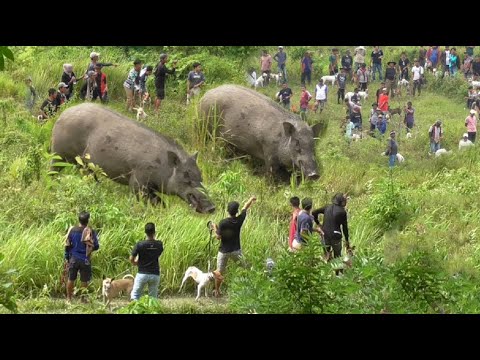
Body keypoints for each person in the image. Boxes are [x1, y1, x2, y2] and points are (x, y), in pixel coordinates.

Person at [211, 196, 256, 296]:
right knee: (246, 269)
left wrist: (214, 227)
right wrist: (251, 199)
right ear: (236, 211)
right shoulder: (240, 220)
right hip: (236, 251)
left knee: (219, 273)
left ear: (227, 210)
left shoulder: (223, 222)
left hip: (223, 251)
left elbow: (218, 237)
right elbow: (245, 207)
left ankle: (217, 291)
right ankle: (249, 290)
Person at [65, 211, 99, 303]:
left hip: (73, 258)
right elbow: (96, 246)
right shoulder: (90, 231)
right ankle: (82, 299)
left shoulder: (72, 230)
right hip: (85, 259)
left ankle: (69, 299)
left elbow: (67, 245)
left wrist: (67, 257)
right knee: (84, 280)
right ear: (88, 220)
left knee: (71, 278)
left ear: (78, 220)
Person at [312, 193, 350, 273]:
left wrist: (318, 223)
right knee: (337, 257)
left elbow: (314, 212)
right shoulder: (342, 212)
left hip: (325, 235)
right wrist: (347, 241)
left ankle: (327, 274)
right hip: (336, 236)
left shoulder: (327, 207)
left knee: (327, 256)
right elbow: (345, 228)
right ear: (341, 202)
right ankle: (338, 275)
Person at [129, 223, 164, 300]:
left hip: (142, 273)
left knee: (135, 295)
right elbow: (158, 254)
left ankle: (136, 310)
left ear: (145, 232)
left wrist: (135, 263)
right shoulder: (159, 244)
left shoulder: (140, 244)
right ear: (154, 232)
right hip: (155, 274)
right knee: (153, 298)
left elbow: (131, 258)